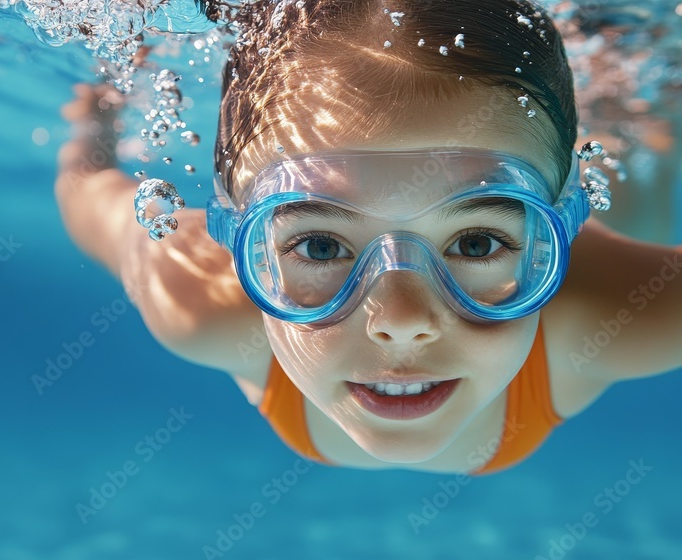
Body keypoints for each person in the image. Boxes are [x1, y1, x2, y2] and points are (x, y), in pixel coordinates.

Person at [54, 0, 682, 474]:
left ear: (559, 225)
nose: (401, 321)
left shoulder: (627, 311)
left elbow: (83, 192)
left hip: (615, 224)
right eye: (321, 245)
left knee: (645, 183)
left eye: (475, 242)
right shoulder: (196, 298)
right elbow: (87, 195)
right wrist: (98, 117)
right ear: (235, 241)